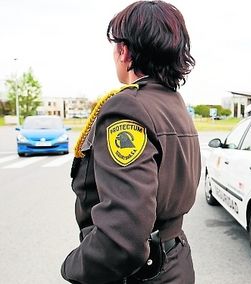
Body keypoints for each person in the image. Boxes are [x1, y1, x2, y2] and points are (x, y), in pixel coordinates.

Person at [61, 1, 200, 283]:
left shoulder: (127, 108)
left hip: (138, 275)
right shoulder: (173, 103)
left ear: (124, 51)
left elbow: (123, 238)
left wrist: (73, 267)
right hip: (176, 262)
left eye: (116, 47)